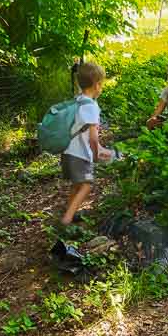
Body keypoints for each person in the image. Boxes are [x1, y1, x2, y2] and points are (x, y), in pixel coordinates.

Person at [60, 62, 113, 226]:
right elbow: (93, 138)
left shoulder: (77, 101)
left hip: (67, 152)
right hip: (80, 155)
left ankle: (70, 211)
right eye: (101, 84)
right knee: (87, 185)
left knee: (77, 185)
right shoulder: (91, 106)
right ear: (97, 85)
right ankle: (66, 220)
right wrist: (96, 154)